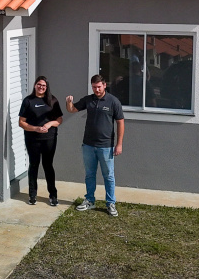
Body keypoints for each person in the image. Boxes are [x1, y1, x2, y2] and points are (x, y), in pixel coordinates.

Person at [66, 74, 125, 217]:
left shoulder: (113, 101)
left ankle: (110, 203)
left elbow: (120, 122)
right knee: (90, 174)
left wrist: (119, 144)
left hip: (106, 146)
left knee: (108, 176)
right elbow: (72, 110)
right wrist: (69, 102)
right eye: (94, 87)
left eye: (99, 87)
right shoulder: (89, 100)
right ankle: (90, 200)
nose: (96, 90)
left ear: (104, 85)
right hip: (88, 145)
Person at [18, 76, 63, 206]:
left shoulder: (52, 100)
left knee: (48, 165)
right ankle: (32, 195)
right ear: (35, 85)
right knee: (34, 165)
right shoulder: (28, 101)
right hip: (33, 139)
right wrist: (35, 128)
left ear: (47, 87)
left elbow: (59, 120)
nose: (41, 87)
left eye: (43, 85)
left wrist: (49, 124)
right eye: (39, 84)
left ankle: (53, 195)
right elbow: (21, 122)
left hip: (49, 139)